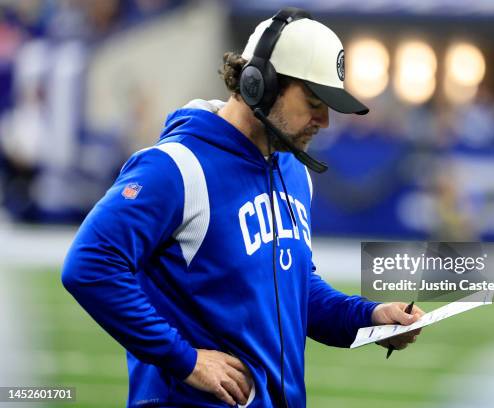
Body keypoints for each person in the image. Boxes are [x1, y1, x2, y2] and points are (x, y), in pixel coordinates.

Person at [62, 7, 423, 408]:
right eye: (313, 101)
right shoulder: (178, 166)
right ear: (259, 85)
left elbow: (293, 289)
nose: (324, 120)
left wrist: (367, 317)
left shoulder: (292, 170)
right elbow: (89, 265)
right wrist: (186, 360)